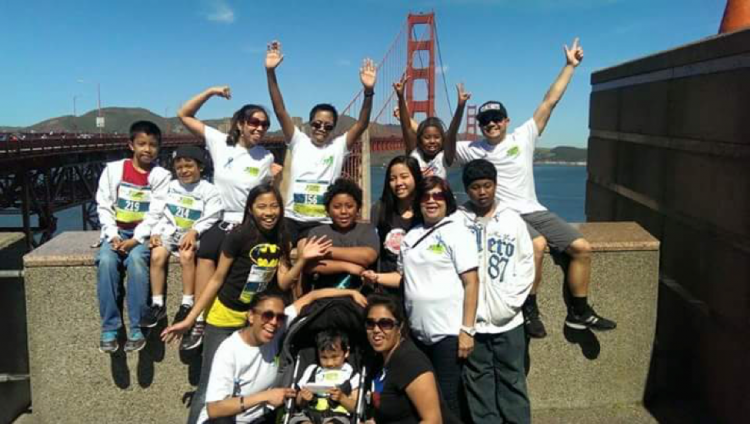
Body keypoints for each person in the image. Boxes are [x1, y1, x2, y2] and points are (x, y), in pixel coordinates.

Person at [455, 38, 616, 336]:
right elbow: (434, 139)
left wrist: (569, 66)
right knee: (537, 246)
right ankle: (530, 308)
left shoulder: (523, 136)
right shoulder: (471, 149)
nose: (491, 124)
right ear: (480, 126)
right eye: (485, 121)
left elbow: (549, 101)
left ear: (506, 121)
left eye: (496, 119)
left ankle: (578, 312)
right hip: (506, 216)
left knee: (581, 248)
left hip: (534, 211)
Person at [161, 183, 332, 424]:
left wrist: (302, 260)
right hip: (224, 316)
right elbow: (217, 279)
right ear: (250, 209)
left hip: (254, 318)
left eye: (274, 206)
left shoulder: (282, 236)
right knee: (208, 387)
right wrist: (190, 319)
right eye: (261, 206)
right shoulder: (239, 235)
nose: (269, 212)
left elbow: (283, 281)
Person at [362, 176, 479, 419]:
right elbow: (402, 278)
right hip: (416, 335)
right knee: (423, 402)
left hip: (447, 334)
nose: (431, 201)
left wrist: (467, 330)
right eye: (426, 197)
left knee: (449, 402)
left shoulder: (458, 232)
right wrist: (374, 277)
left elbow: (472, 282)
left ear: (447, 201)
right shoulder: (412, 235)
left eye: (438, 196)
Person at [178, 87, 276, 349]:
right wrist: (211, 92)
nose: (260, 128)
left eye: (265, 124)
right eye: (254, 122)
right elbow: (184, 114)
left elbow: (274, 188)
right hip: (221, 220)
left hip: (248, 225)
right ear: (241, 124)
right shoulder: (220, 142)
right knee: (206, 253)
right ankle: (198, 319)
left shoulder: (266, 157)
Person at [198, 289, 368, 424]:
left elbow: (312, 296)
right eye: (267, 315)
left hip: (263, 417)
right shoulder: (230, 351)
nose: (273, 322)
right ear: (251, 316)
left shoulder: (276, 330)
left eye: (279, 317)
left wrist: (350, 293)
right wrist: (265, 396)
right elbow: (214, 409)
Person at [265, 40, 376, 246]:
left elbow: (361, 124)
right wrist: (270, 72)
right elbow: (280, 110)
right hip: (291, 218)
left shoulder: (338, 147)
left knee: (306, 260)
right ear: (309, 124)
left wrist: (368, 92)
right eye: (317, 124)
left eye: (327, 126)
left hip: (322, 222)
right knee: (280, 260)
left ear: (333, 129)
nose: (321, 129)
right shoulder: (298, 141)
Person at [454, 159, 535, 424]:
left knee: (513, 381)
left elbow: (526, 263)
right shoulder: (456, 220)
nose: (482, 192)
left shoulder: (512, 220)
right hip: (472, 323)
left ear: (496, 185)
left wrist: (511, 302)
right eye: (476, 187)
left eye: (488, 185)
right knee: (479, 386)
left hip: (509, 320)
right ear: (467, 189)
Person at [95, 121, 171, 353]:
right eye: (142, 144)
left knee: (138, 262)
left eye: (153, 145)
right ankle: (110, 327)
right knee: (106, 261)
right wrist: (113, 234)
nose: (147, 149)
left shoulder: (160, 175)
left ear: (158, 148)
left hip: (143, 235)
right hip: (116, 232)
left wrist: (136, 240)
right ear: (131, 145)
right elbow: (104, 204)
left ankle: (137, 326)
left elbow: (156, 211)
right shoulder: (114, 170)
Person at [141, 146, 223, 332]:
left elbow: (213, 215)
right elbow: (159, 211)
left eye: (189, 166)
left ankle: (187, 303)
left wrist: (194, 231)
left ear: (200, 167)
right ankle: (157, 304)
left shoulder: (209, 190)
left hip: (192, 235)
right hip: (169, 232)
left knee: (187, 256)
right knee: (156, 256)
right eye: (179, 167)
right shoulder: (169, 187)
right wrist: (155, 231)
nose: (184, 171)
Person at [365, 293, 444, 424]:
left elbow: (433, 421)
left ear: (400, 327)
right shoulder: (378, 361)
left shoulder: (411, 362)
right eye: (370, 323)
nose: (376, 330)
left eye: (385, 324)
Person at [301, 178, 379, 293]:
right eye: (337, 207)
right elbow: (310, 266)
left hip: (361, 298)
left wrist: (324, 251)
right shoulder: (317, 232)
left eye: (349, 206)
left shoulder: (367, 230)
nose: (343, 211)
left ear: (358, 208)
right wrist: (348, 267)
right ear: (328, 210)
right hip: (324, 297)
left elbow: (367, 256)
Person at [393, 76, 470, 179]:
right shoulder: (414, 153)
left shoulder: (445, 157)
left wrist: (461, 106)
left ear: (443, 140)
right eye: (427, 137)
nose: (432, 141)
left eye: (437, 137)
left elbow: (452, 133)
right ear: (419, 140)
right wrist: (401, 97)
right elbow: (406, 127)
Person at [369, 156, 422, 287]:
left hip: (419, 285)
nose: (398, 183)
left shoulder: (426, 210)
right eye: (392, 179)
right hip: (386, 286)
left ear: (416, 177)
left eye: (404, 176)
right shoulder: (380, 209)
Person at [290, 330, 361, 424]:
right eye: (324, 357)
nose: (329, 363)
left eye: (334, 357)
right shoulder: (312, 371)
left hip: (337, 416)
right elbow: (298, 402)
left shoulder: (352, 375)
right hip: (309, 414)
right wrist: (303, 398)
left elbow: (355, 407)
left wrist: (342, 398)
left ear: (346, 352)